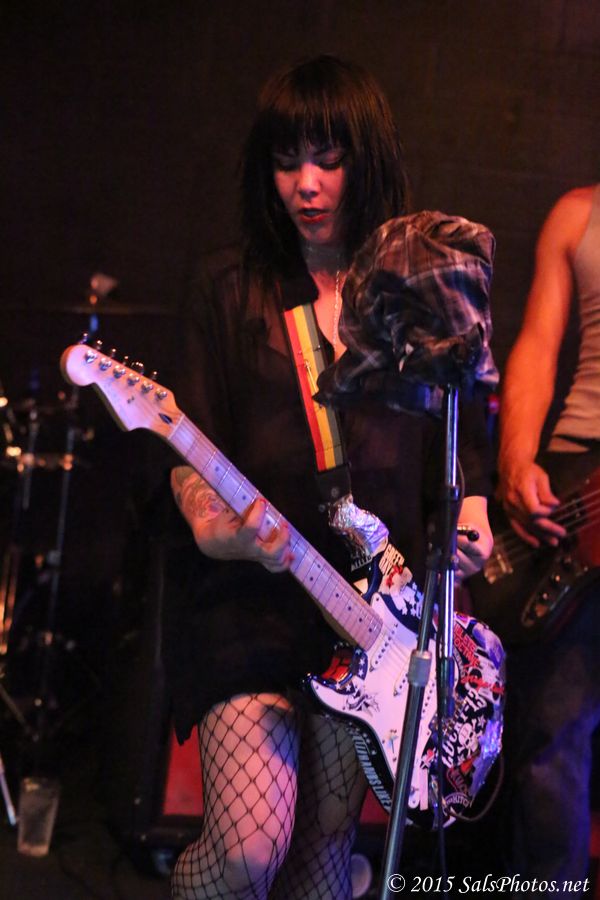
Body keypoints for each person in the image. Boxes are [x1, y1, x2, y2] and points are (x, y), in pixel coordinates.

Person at [164, 55, 495, 900]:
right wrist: (216, 529)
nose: (305, 185)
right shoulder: (228, 289)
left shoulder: (409, 292)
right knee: (248, 850)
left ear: (366, 159)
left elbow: (462, 440)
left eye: (328, 159)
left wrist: (472, 517)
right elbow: (185, 454)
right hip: (252, 603)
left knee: (317, 868)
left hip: (367, 620)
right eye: (286, 162)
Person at [498, 184, 600, 894]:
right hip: (577, 485)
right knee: (550, 738)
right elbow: (537, 345)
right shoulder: (579, 214)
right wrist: (515, 458)